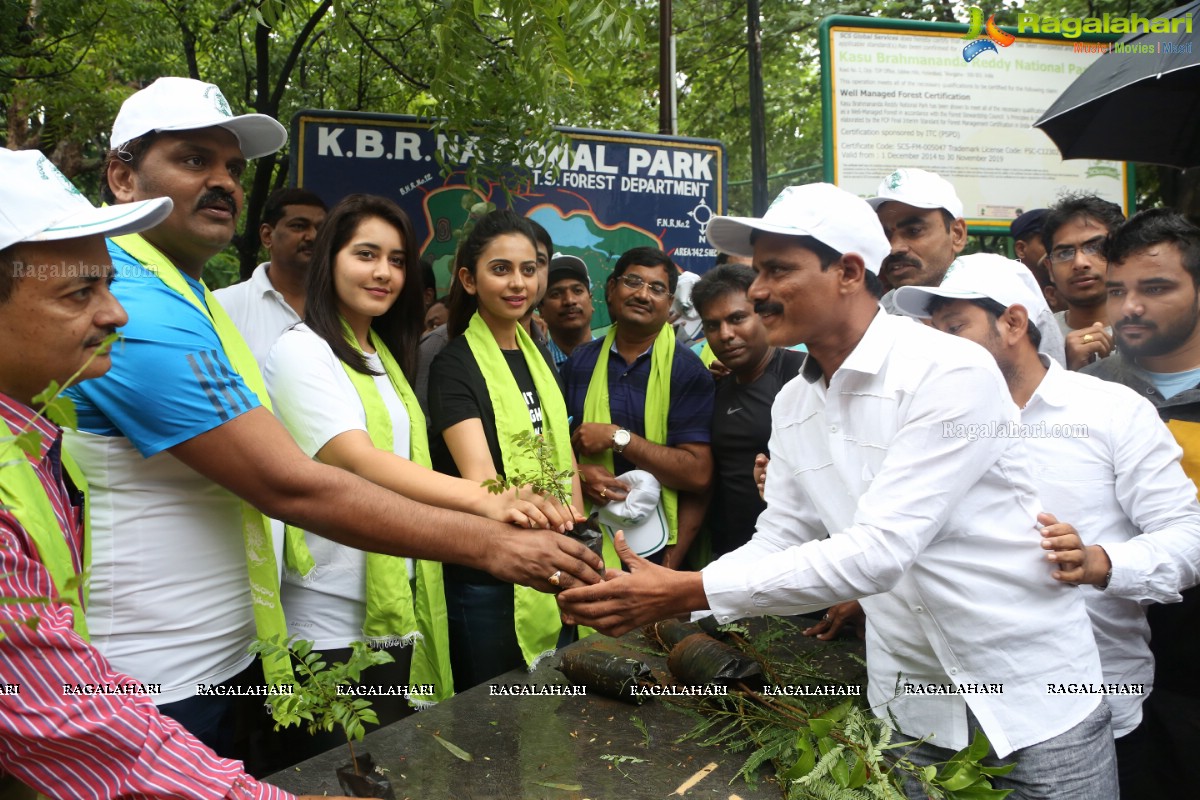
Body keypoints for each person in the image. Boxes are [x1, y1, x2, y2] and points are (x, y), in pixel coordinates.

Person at [63, 77, 601, 762]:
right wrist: (489, 536)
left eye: (232, 167)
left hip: (227, 652)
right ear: (121, 176)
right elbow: (297, 482)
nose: (224, 181)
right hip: (153, 674)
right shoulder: (135, 308)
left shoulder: (189, 300)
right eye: (195, 161)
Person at [559, 183, 1116, 800]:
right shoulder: (796, 401)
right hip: (912, 714)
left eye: (777, 270)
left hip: (1035, 707)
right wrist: (664, 596)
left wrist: (686, 589)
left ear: (849, 271)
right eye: (756, 271)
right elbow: (782, 534)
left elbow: (880, 550)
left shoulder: (948, 371)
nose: (759, 290)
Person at [0, 149, 345, 800]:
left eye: (109, 283)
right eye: (80, 292)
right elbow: (77, 727)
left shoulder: (29, 436)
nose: (116, 314)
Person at [263, 195, 574, 754]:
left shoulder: (380, 355)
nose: (384, 272)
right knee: (344, 772)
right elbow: (356, 458)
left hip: (400, 607)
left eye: (398, 260)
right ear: (329, 259)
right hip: (330, 620)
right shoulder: (301, 352)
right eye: (366, 255)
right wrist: (487, 500)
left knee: (404, 768)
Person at [894, 253, 1200, 799]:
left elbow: (1189, 536)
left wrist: (1100, 563)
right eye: (933, 332)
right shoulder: (926, 425)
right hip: (955, 715)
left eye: (954, 328)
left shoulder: (1113, 412)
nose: (938, 346)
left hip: (1095, 701)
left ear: (1013, 324)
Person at [427, 209, 586, 690]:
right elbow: (483, 481)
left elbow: (563, 454)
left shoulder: (537, 355)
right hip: (488, 578)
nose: (518, 282)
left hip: (554, 559)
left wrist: (574, 534)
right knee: (498, 724)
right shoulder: (453, 365)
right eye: (501, 269)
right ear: (468, 280)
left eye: (528, 269)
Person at [1082, 208, 1200, 798]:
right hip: (1118, 651)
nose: (1129, 307)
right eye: (1116, 291)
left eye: (1155, 288)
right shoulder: (1083, 397)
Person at [562, 247, 715, 569]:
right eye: (633, 282)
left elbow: (698, 474)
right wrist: (577, 473)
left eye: (657, 288)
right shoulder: (580, 362)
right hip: (582, 536)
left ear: (669, 301)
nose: (643, 295)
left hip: (656, 547)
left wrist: (620, 438)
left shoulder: (686, 371)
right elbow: (552, 445)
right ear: (611, 289)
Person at [691, 264, 804, 559]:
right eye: (712, 325)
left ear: (763, 314)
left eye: (737, 318)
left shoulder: (802, 376)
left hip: (795, 559)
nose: (725, 334)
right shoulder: (716, 387)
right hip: (731, 558)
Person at [214, 187, 327, 367]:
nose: (313, 236)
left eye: (321, 228)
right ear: (267, 235)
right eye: (299, 226)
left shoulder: (344, 307)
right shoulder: (223, 306)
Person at [1043, 194, 1125, 370]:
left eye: (1095, 247)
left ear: (1122, 254)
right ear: (1050, 269)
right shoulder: (1036, 339)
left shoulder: (1153, 330)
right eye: (1064, 253)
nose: (1080, 263)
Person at [868, 168, 967, 313]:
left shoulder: (995, 310)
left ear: (957, 234)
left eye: (914, 231)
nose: (894, 248)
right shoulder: (877, 318)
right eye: (885, 234)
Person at [540, 254, 594, 368]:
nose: (569, 300)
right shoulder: (535, 366)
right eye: (556, 294)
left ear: (590, 300)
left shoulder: (615, 359)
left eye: (577, 291)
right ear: (541, 309)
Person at [1010, 208, 1062, 313]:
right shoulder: (1007, 293)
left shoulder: (1072, 286)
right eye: (1047, 242)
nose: (1057, 248)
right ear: (1021, 249)